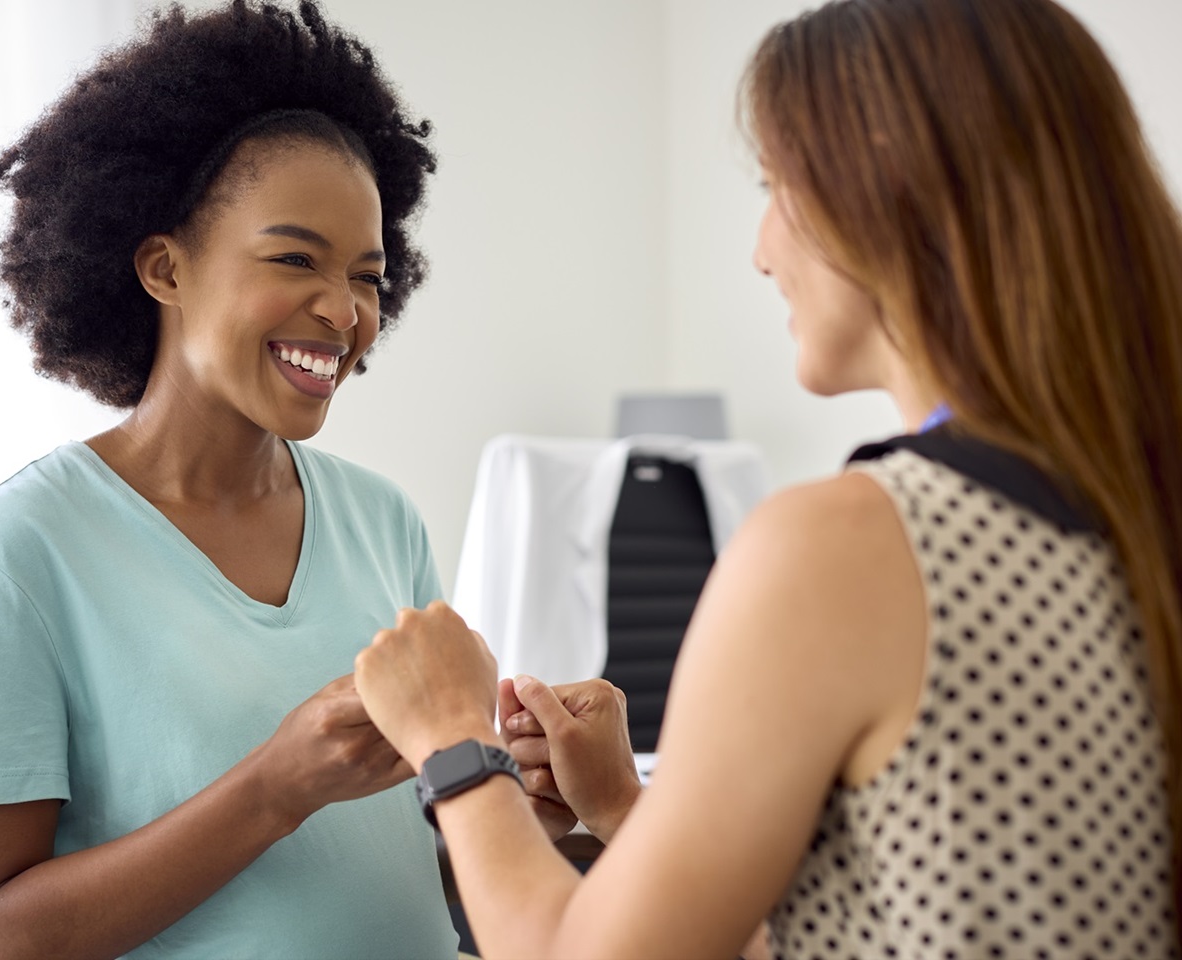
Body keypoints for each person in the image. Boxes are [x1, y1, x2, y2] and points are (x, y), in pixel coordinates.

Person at [353, 0, 1182, 957]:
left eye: (776, 187)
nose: (761, 250)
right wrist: (629, 808)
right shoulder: (1128, 517)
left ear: (886, 190)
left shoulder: (853, 546)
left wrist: (456, 742)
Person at [0, 3, 458, 958]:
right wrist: (276, 785)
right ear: (164, 267)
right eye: (294, 258)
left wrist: (519, 795)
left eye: (367, 275)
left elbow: (400, 852)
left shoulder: (384, 522)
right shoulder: (18, 555)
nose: (344, 310)